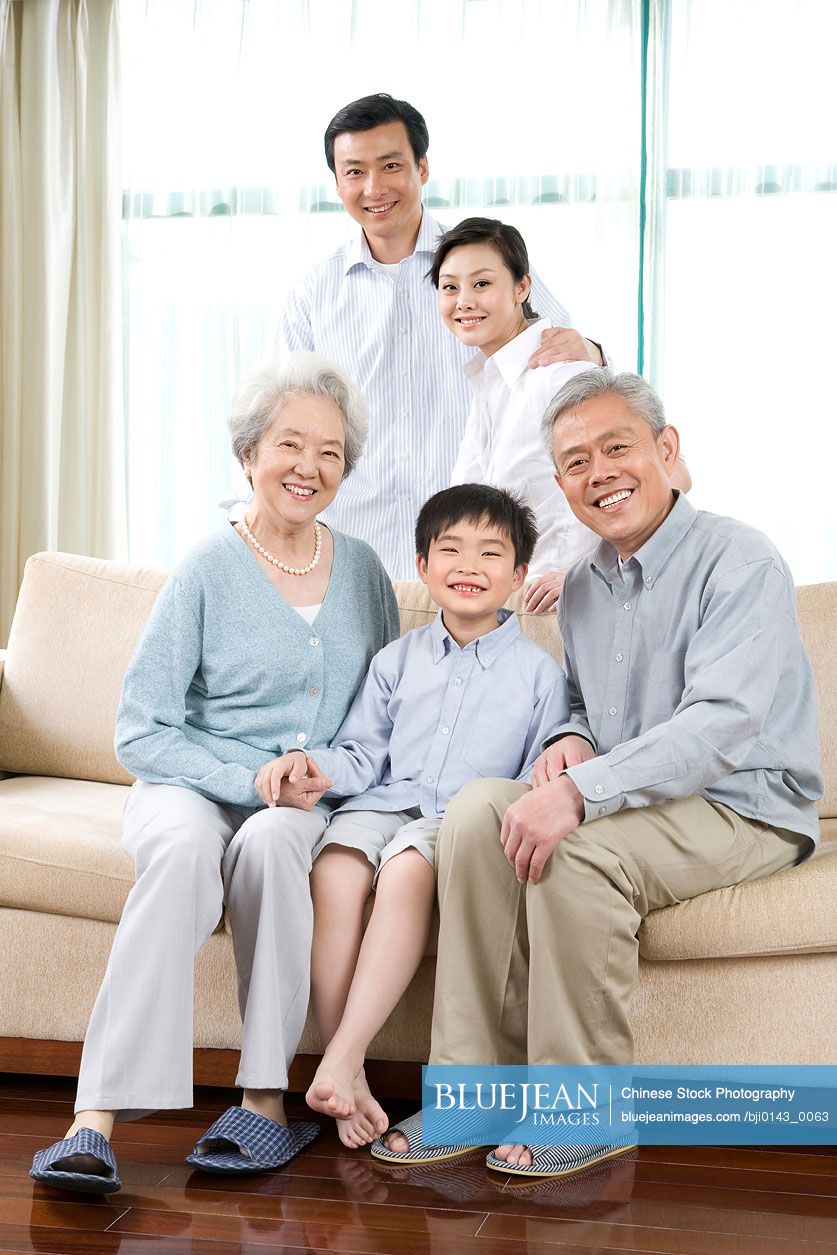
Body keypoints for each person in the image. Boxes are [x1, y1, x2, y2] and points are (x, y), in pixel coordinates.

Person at [372, 369, 822, 1179]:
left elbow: (722, 724)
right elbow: (582, 699)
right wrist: (572, 739)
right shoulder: (580, 584)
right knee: (477, 811)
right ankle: (470, 1090)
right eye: (575, 461)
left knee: (573, 849)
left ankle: (585, 1109)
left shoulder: (739, 558)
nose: (599, 471)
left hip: (741, 802)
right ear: (560, 486)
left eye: (616, 447)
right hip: (633, 795)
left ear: (665, 448)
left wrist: (580, 793)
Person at [30, 353, 399, 1195]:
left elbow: (384, 709)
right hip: (187, 784)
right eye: (289, 444)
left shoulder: (367, 573)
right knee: (181, 856)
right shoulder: (204, 568)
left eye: (331, 452)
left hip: (303, 799)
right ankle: (96, 1120)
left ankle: (264, 1102)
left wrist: (319, 777)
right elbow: (141, 729)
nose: (309, 466)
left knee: (274, 846)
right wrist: (248, 772)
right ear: (249, 454)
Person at [253, 485, 570, 1149]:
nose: (467, 563)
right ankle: (353, 1071)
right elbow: (364, 754)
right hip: (382, 801)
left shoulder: (540, 674)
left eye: (490, 552)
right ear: (422, 566)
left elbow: (529, 779)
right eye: (449, 548)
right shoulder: (395, 659)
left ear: (516, 575)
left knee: (402, 873)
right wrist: (314, 765)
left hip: (452, 823)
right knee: (335, 871)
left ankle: (339, 1057)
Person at [273, 92, 605, 579]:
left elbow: (570, 367)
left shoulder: (479, 262)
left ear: (422, 167)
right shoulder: (312, 292)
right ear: (337, 182)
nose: (373, 187)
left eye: (390, 165)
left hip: (478, 557)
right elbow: (281, 419)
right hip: (358, 548)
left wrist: (595, 350)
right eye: (354, 172)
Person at [430, 216, 692, 613]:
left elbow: (672, 477)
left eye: (482, 283)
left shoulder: (559, 375)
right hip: (514, 610)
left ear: (521, 287)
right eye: (450, 287)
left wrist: (581, 572)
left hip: (572, 609)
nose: (464, 300)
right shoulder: (491, 386)